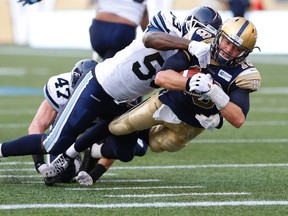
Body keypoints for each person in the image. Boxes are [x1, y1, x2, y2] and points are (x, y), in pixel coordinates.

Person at [0, 8, 221, 180]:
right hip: (98, 86)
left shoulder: (193, 57)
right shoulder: (170, 23)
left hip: (124, 101)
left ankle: (84, 152)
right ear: (194, 25)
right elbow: (150, 39)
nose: (206, 41)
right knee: (52, 144)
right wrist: (190, 44)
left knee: (125, 151)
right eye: (205, 34)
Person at [75, 16, 261, 185]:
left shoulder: (244, 74)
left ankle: (94, 155)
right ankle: (75, 154)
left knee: (154, 145)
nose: (228, 50)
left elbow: (238, 119)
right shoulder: (199, 45)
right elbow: (161, 78)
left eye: (237, 48)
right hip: (166, 103)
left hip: (192, 124)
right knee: (121, 128)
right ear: (218, 35)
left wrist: (215, 93)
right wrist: (189, 83)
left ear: (246, 53)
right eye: (227, 42)